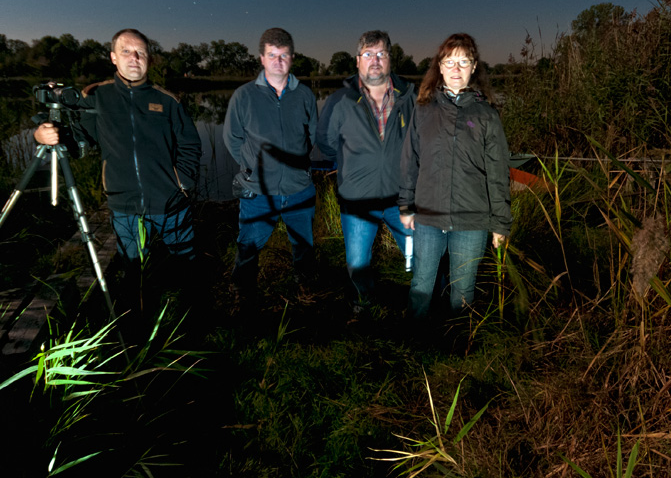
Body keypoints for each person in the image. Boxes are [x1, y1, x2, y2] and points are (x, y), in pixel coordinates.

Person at [34, 28, 202, 311]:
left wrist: (182, 184)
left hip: (171, 202)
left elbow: (191, 145)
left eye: (141, 53)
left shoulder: (168, 101)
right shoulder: (97, 97)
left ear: (149, 59)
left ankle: (192, 317)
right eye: (126, 51)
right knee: (134, 269)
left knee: (186, 263)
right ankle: (139, 323)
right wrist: (43, 135)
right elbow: (79, 143)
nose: (134, 58)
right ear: (113, 57)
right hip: (124, 204)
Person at [398, 32, 511, 320]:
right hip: (428, 215)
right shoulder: (423, 110)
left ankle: (460, 345)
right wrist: (406, 205)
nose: (456, 69)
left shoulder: (486, 115)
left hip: (471, 219)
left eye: (463, 61)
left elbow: (497, 172)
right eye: (450, 61)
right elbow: (411, 160)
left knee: (463, 291)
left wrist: (500, 223)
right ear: (439, 66)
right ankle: (414, 342)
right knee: (422, 283)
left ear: (474, 67)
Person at [317, 30, 416, 312]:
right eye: (369, 54)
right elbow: (325, 143)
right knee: (358, 263)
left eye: (382, 54)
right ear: (358, 60)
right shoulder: (340, 100)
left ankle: (425, 304)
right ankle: (366, 303)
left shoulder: (409, 96)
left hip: (402, 200)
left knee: (419, 255)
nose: (376, 60)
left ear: (390, 60)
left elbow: (422, 138)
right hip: (357, 202)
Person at [223, 27, 318, 297]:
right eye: (272, 55)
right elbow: (232, 138)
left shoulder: (305, 95)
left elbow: (311, 135)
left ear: (292, 58)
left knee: (303, 244)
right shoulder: (244, 96)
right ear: (262, 58)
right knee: (249, 243)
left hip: (298, 188)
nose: (278, 61)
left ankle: (305, 286)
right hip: (258, 190)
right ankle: (243, 290)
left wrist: (295, 164)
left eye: (284, 55)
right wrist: (253, 168)